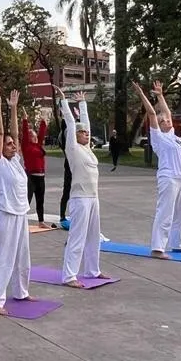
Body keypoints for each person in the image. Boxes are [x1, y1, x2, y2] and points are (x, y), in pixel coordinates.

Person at [0, 86, 36, 314]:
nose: (13, 145)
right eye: (8, 145)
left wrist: (13, 108)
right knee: (1, 258)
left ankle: (21, 291)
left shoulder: (15, 161)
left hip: (21, 215)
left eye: (13, 144)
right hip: (5, 216)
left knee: (22, 257)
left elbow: (13, 134)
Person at [57, 88, 109, 287]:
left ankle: (92, 270)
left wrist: (83, 104)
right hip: (80, 198)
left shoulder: (87, 149)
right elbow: (72, 124)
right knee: (77, 237)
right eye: (82, 133)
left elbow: (84, 123)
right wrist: (64, 102)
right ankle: (69, 276)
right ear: (74, 135)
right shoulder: (73, 148)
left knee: (94, 236)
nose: (86, 134)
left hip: (93, 197)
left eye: (87, 133)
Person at [133, 80, 181, 260]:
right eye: (162, 120)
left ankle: (177, 244)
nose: (166, 120)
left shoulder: (173, 135)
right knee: (165, 212)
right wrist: (142, 94)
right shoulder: (158, 137)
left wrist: (160, 95)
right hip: (169, 178)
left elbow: (167, 111)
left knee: (180, 213)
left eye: (167, 120)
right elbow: (152, 112)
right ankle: (157, 248)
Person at [20, 108, 51, 229]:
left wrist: (43, 119)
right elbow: (24, 132)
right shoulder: (26, 146)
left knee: (40, 200)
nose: (36, 137)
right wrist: (24, 119)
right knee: (27, 199)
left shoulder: (38, 145)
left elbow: (42, 132)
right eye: (33, 136)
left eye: (35, 135)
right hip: (30, 176)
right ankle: (21, 221)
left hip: (41, 177)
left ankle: (41, 221)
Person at [57, 105, 79, 224]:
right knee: (68, 190)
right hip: (71, 163)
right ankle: (63, 215)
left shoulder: (64, 133)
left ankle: (64, 215)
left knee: (69, 190)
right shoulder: (66, 133)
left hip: (72, 163)